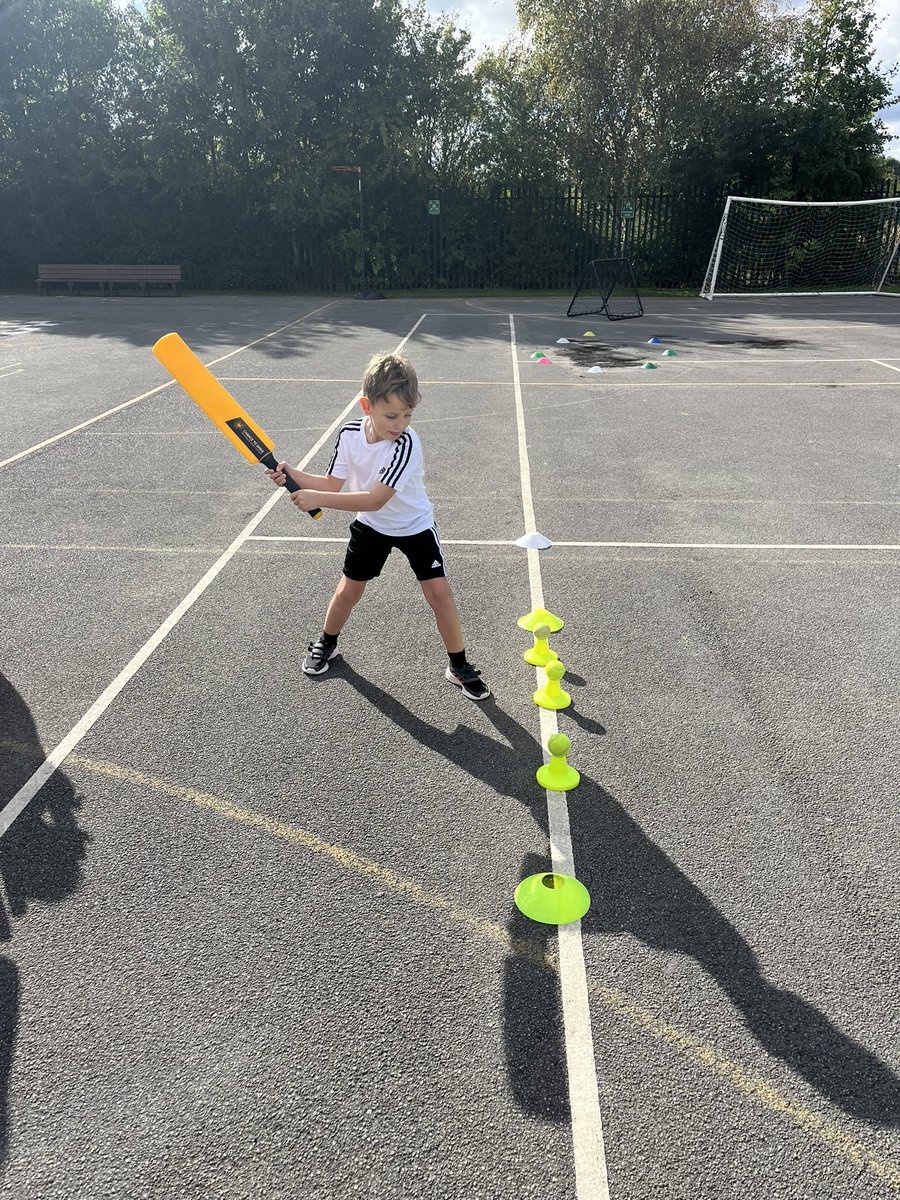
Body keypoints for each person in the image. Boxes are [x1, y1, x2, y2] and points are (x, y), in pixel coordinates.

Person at [266, 351, 490, 701]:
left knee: (439, 594)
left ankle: (458, 664)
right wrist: (292, 474)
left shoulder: (406, 443)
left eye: (407, 414)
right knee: (348, 591)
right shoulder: (350, 434)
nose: (400, 423)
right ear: (366, 406)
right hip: (371, 527)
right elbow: (331, 483)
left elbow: (374, 498)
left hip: (414, 526)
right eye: (391, 415)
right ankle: (327, 643)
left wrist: (316, 499)